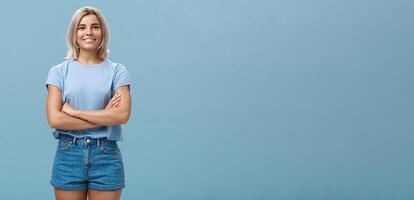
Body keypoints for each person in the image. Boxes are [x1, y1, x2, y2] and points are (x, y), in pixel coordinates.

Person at [45, 6, 131, 200]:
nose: (89, 32)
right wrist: (104, 116)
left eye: (95, 27)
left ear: (102, 33)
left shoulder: (117, 71)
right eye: (82, 27)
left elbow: (122, 115)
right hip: (68, 155)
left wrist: (74, 112)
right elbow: (55, 119)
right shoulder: (58, 72)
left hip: (106, 155)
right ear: (74, 34)